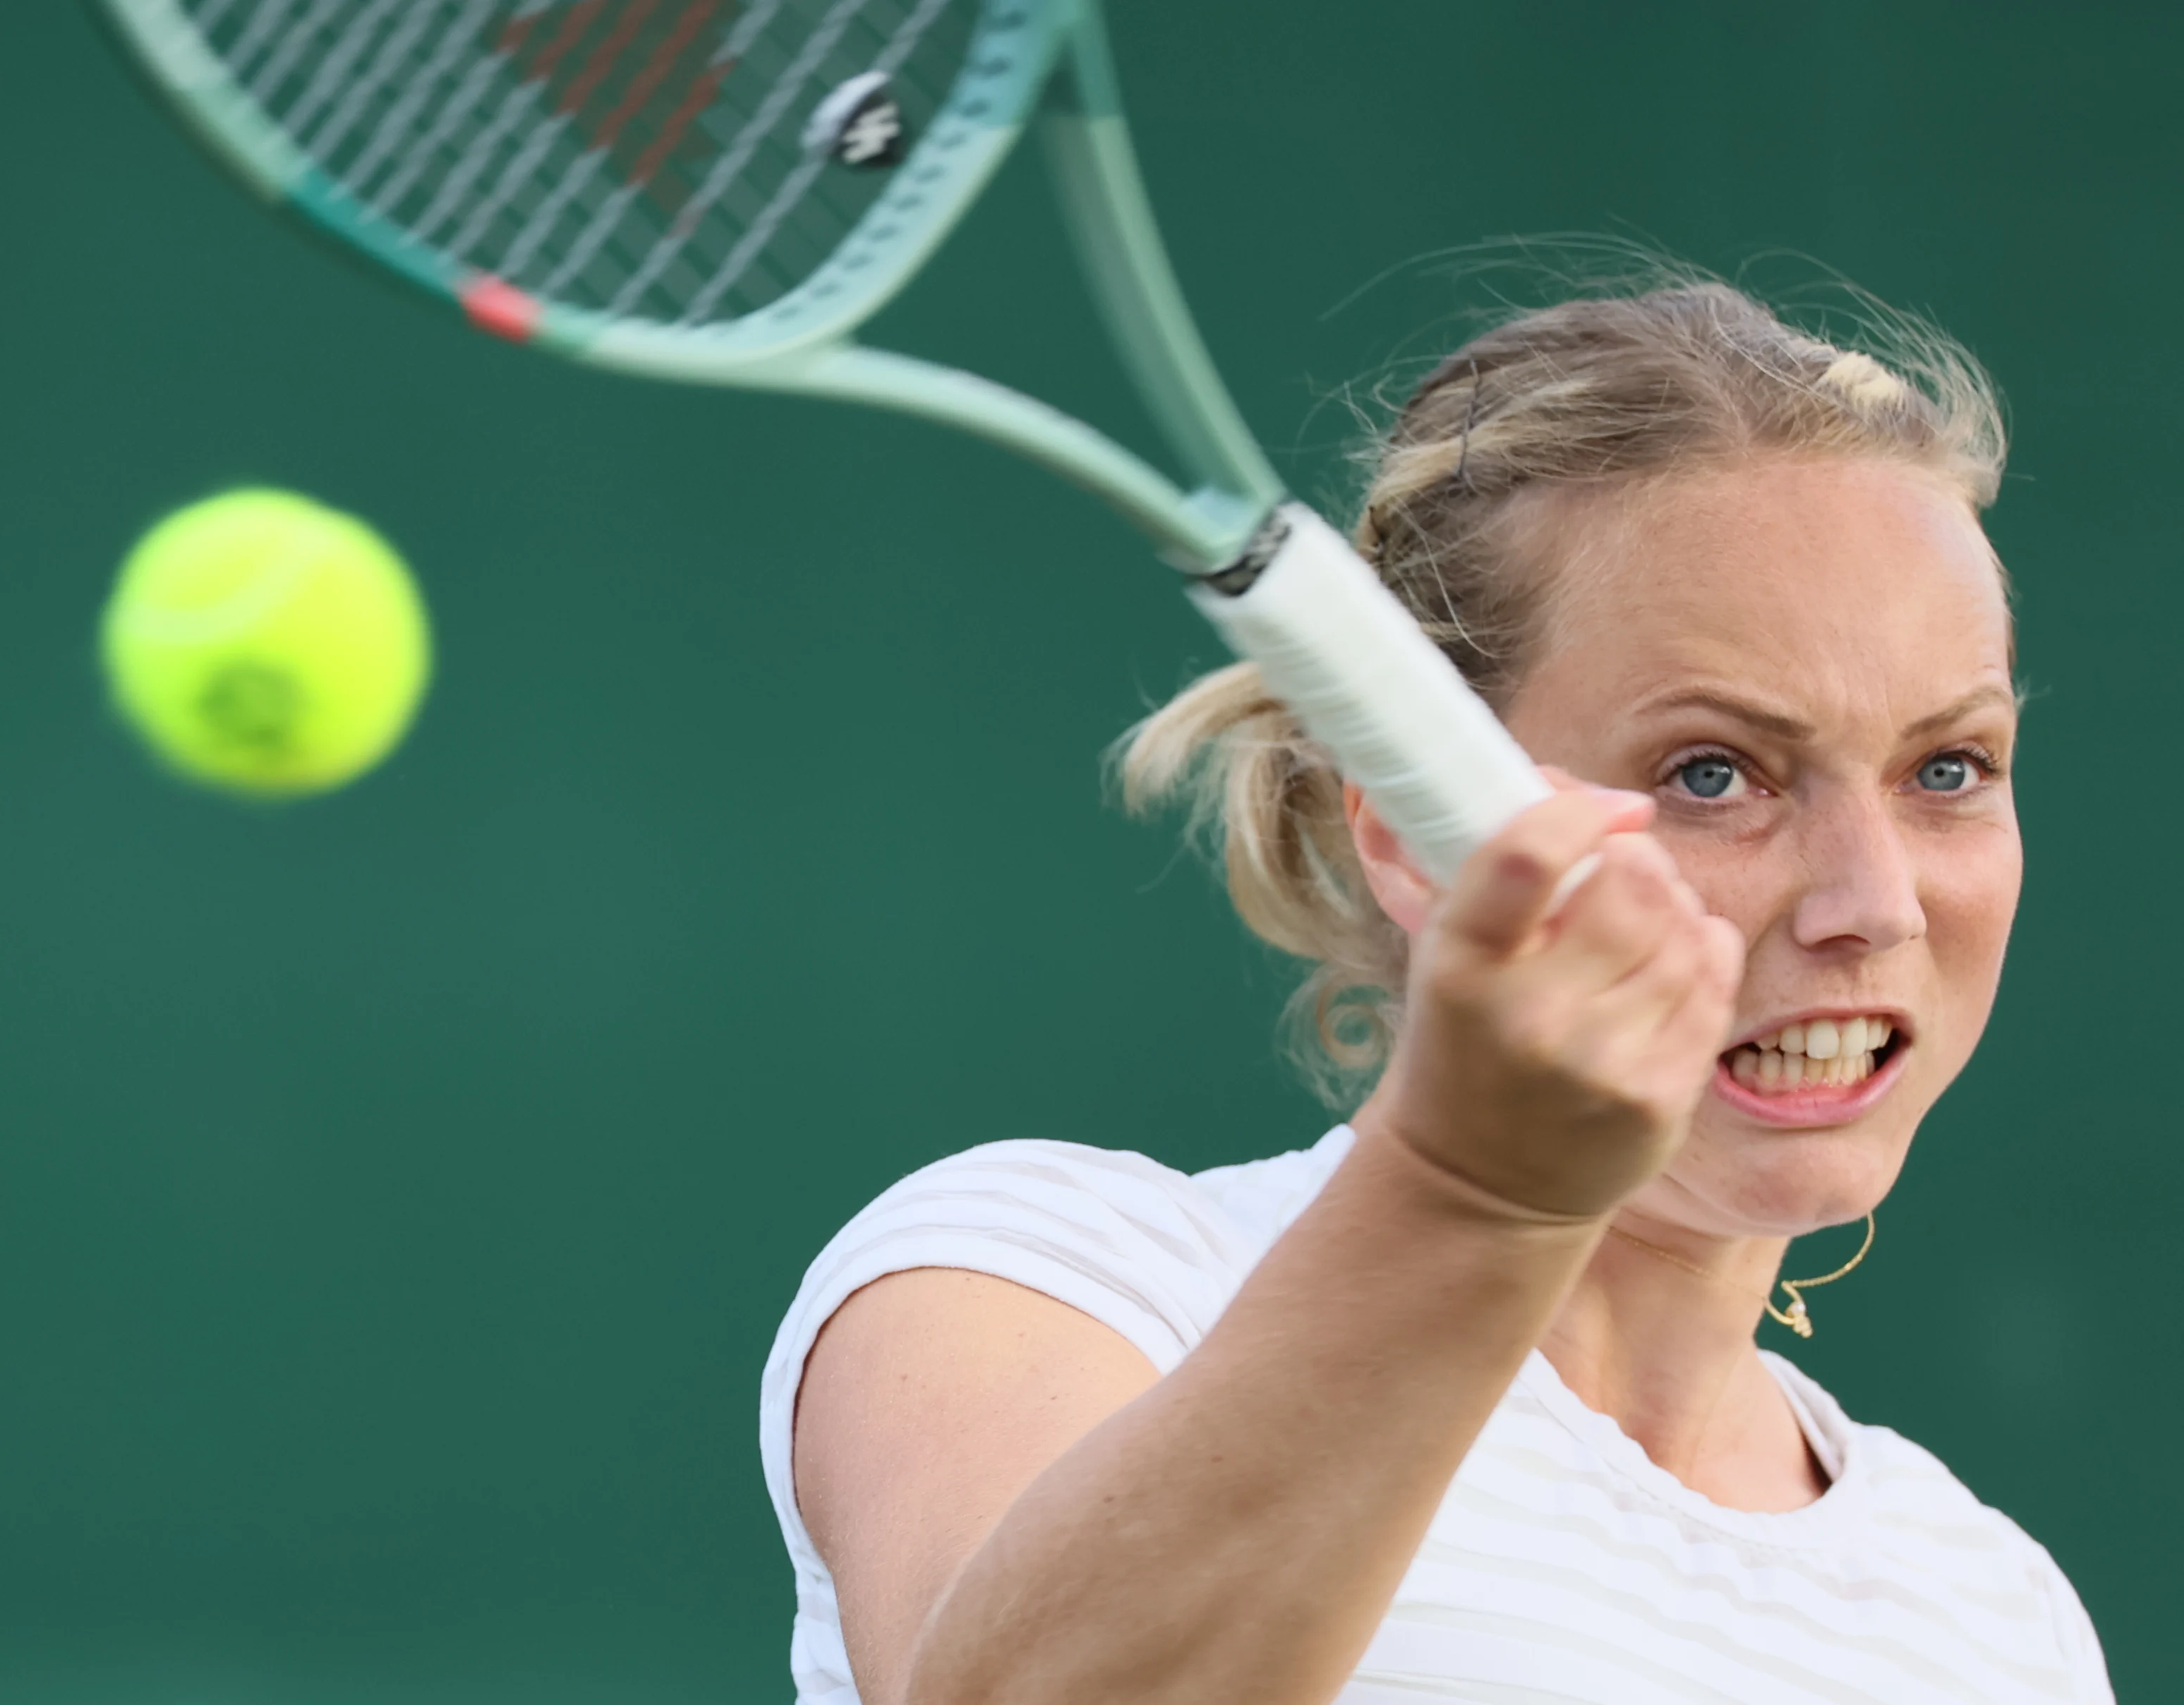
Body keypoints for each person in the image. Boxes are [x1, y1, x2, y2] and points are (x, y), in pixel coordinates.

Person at [759, 281, 2113, 1704]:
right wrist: (1474, 1188)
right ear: (1412, 834)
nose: (1875, 902)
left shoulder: (1995, 1617)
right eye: (1712, 772)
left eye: (1948, 769)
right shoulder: (1036, 1275)